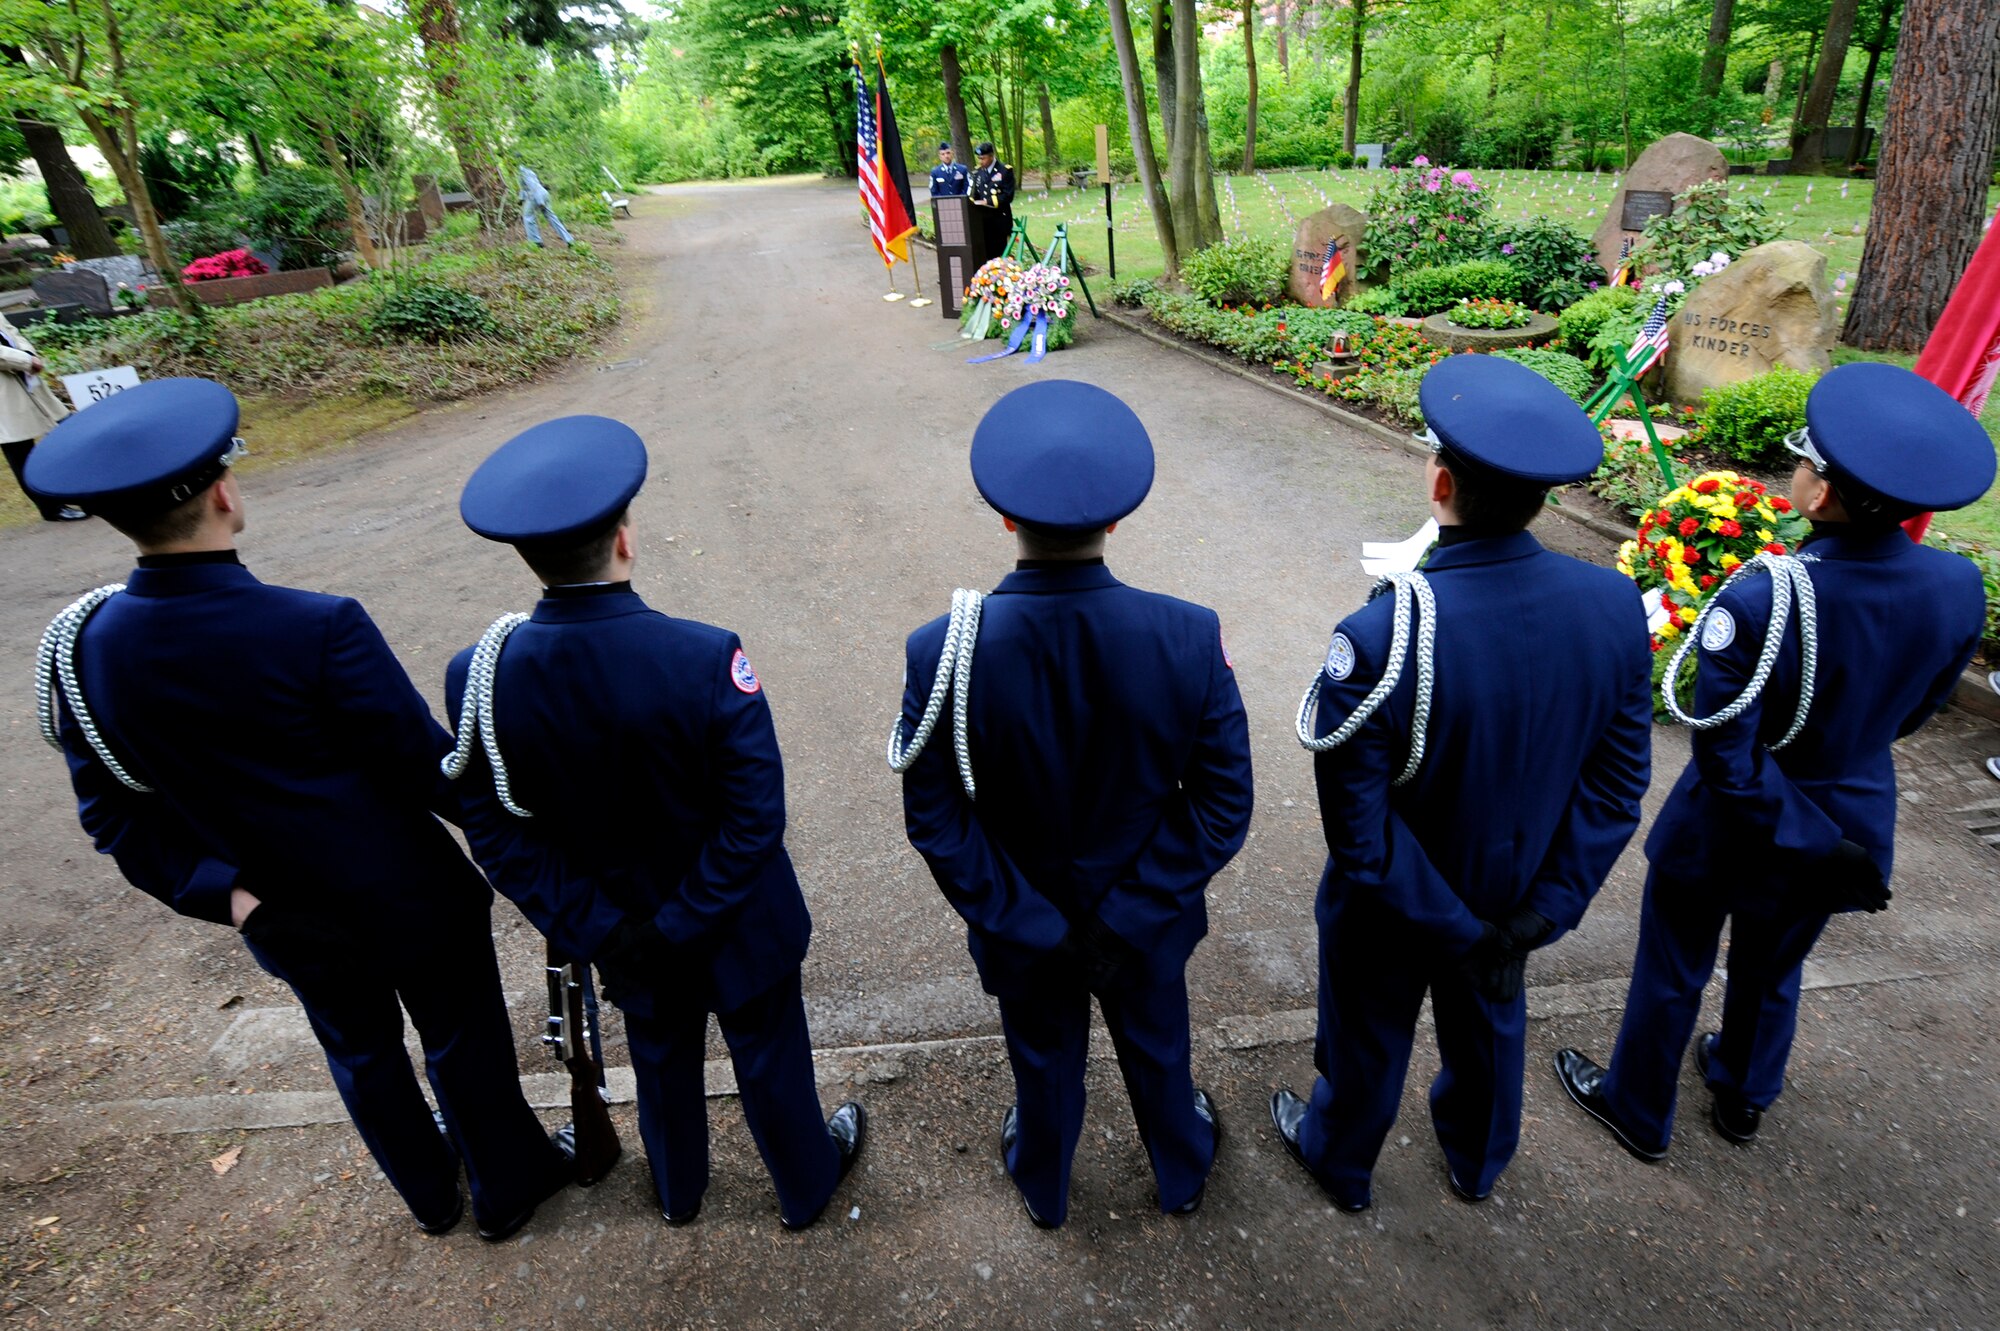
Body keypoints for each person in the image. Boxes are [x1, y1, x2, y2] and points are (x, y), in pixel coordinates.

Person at [24, 379, 575, 1242]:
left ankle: (430, 1197)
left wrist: (233, 897)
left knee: (360, 1052)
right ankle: (508, 1185)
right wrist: (533, 827)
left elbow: (117, 821)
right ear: (224, 491)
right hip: (410, 894)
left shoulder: (84, 653)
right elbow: (428, 767)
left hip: (279, 912)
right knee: (462, 1038)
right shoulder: (317, 627)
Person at [1556, 362, 1994, 1159]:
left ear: (1821, 495)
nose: (1794, 469)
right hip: (1852, 811)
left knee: (1675, 965)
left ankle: (1638, 1105)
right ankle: (1742, 1094)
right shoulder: (1959, 585)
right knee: (1772, 964)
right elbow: (1917, 713)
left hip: (1735, 823)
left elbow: (1727, 751)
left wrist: (1802, 827)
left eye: (1804, 460)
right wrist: (1829, 815)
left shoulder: (1769, 594)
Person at [442, 416, 864, 1231]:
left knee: (661, 1059)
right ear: (625, 540)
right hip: (735, 920)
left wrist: (607, 928)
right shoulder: (703, 657)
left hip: (613, 927)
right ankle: (806, 1185)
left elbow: (495, 832)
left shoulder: (479, 678)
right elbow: (753, 817)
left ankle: (678, 1193)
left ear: (528, 558)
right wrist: (678, 923)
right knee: (770, 1053)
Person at [1270, 354, 1653, 1210]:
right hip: (1518, 895)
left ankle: (1340, 1159)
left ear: (1439, 481)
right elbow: (1618, 784)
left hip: (1399, 903)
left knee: (1367, 1033)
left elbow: (1360, 831)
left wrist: (1452, 925)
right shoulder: (1612, 605)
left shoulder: (1380, 633)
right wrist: (1539, 912)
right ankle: (1477, 1161)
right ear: (1542, 497)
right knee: (1489, 1025)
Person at [891, 379, 1255, 1229]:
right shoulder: (1187, 634)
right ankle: (1181, 1172)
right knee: (1160, 1047)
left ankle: (1045, 1183)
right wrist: (1122, 914)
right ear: (1117, 520)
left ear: (1005, 516)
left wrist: (1035, 921)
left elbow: (936, 817)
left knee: (1042, 1059)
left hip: (1025, 923)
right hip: (1148, 915)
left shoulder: (941, 649)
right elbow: (1221, 800)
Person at [0, 309, 84, 521]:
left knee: (66, 427)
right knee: (20, 449)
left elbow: (11, 331)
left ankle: (87, 492)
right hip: (5, 389)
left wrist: (29, 354)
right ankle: (51, 508)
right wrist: (25, 361)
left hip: (27, 380)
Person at [968, 141, 1016, 260]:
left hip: (1000, 219)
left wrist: (987, 202)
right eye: (979, 158)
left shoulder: (1005, 171)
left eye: (983, 158)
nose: (980, 161)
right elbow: (974, 194)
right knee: (986, 254)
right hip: (983, 221)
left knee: (1000, 254)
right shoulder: (978, 173)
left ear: (991, 156)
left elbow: (1008, 195)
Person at [517, 165, 574, 249]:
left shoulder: (523, 172)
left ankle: (535, 242)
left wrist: (540, 201)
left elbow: (533, 186)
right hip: (544, 193)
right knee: (552, 217)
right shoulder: (530, 172)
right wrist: (521, 199)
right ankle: (569, 240)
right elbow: (526, 188)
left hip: (536, 196)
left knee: (528, 217)